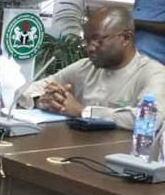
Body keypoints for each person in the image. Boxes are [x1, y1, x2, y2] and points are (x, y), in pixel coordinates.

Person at [21, 7, 165, 130]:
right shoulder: (85, 67)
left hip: (122, 152)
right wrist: (42, 100)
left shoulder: (154, 73)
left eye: (97, 40)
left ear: (126, 38)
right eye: (87, 41)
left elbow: (150, 119)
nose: (89, 48)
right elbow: (25, 91)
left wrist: (84, 111)